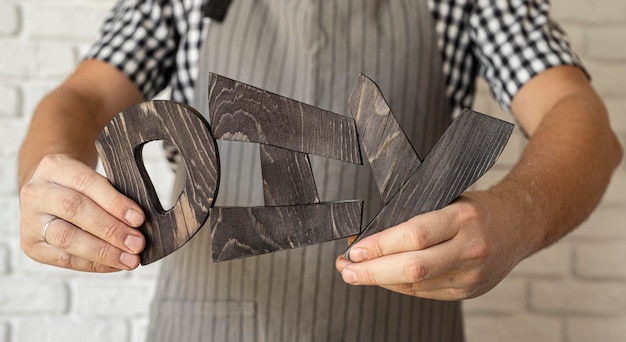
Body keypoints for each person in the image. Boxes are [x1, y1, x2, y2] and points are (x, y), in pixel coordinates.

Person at [18, 0, 622, 341]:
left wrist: (517, 214)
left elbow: (578, 116)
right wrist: (53, 182)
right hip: (205, 326)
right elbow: (81, 100)